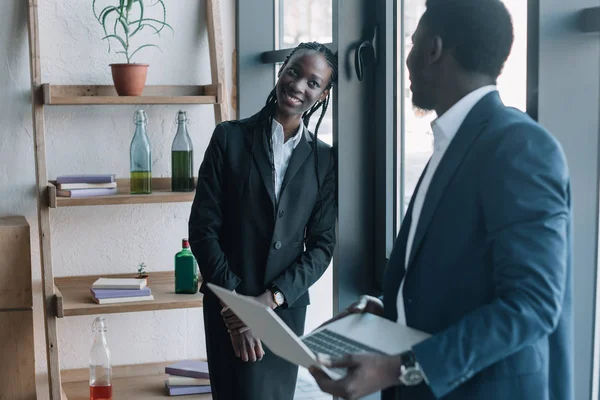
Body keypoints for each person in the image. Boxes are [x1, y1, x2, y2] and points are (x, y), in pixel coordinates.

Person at [310, 1, 573, 399]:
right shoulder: (455, 142)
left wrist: (401, 367)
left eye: (412, 44)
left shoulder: (520, 147)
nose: (407, 60)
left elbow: (532, 305)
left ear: (433, 49)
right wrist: (390, 309)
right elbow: (461, 276)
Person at [189, 41, 338, 400]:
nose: (299, 85)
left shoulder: (325, 160)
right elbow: (203, 228)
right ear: (282, 70)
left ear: (323, 94)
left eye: (313, 83)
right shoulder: (229, 138)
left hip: (283, 313)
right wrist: (237, 308)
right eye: (295, 72)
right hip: (228, 307)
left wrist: (267, 302)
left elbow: (321, 246)